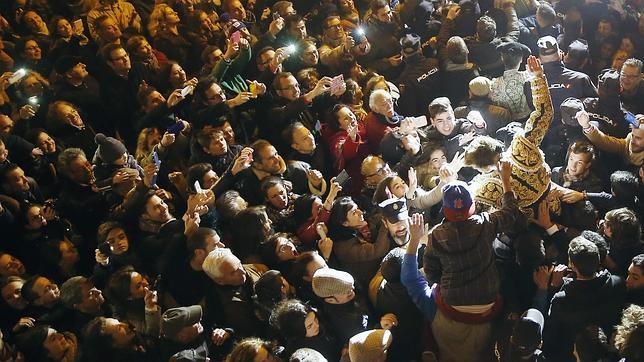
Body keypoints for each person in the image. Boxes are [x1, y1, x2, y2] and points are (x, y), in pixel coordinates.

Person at [542, 237, 627, 361]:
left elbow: (552, 335)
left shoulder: (562, 300)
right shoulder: (618, 283)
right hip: (607, 350)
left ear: (572, 265)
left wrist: (555, 287)